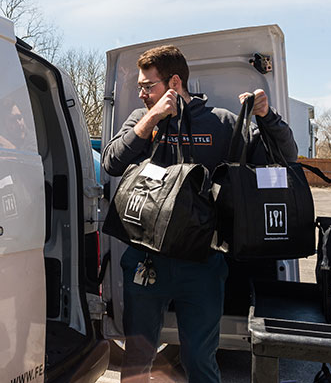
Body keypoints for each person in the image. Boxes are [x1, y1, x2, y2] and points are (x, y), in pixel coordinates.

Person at [101, 45, 297, 383]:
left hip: (203, 264)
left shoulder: (222, 122)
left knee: (199, 360)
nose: (141, 94)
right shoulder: (142, 119)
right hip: (146, 261)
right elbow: (111, 162)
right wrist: (153, 117)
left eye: (148, 86)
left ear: (175, 82)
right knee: (137, 358)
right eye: (140, 87)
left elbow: (285, 158)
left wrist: (268, 117)